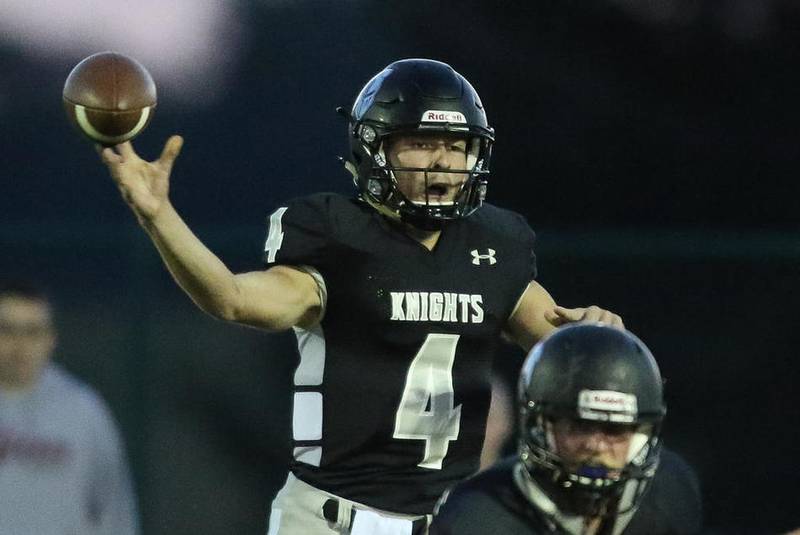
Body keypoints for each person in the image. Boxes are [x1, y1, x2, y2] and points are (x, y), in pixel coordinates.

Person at [99, 58, 623, 534]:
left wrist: (599, 341)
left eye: (458, 146)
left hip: (453, 521)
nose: (441, 163)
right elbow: (232, 299)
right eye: (420, 142)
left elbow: (570, 354)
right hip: (333, 520)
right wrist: (159, 217)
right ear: (375, 147)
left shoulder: (496, 244)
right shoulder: (338, 236)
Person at [430, 323, 702, 535]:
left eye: (614, 430)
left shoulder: (669, 490)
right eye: (579, 426)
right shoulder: (476, 517)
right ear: (541, 425)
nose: (595, 445)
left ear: (641, 434)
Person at [0, 280, 140, 535]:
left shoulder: (83, 410)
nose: (19, 345)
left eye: (32, 331)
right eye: (7, 330)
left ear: (50, 339)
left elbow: (115, 507)